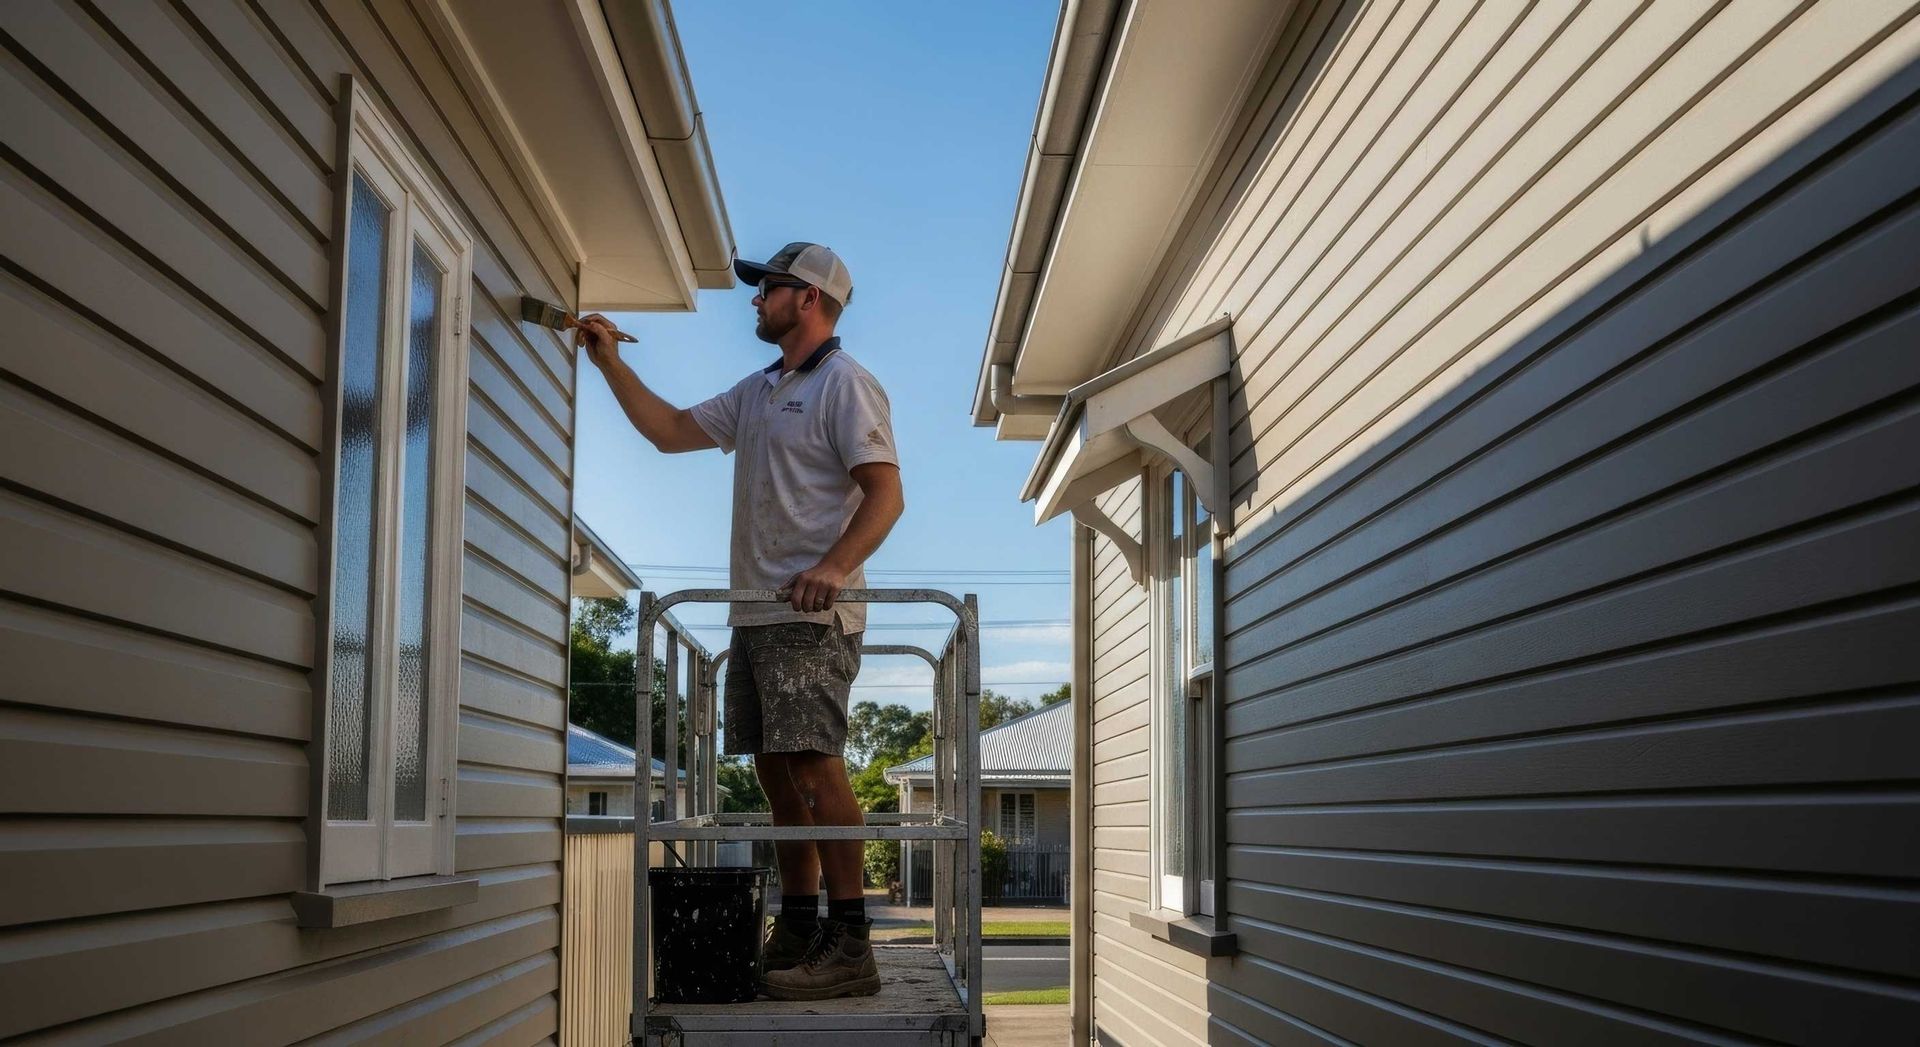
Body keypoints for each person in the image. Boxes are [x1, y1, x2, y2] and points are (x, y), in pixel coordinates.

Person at [575, 242, 903, 1001]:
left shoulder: (846, 385)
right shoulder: (761, 390)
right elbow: (669, 430)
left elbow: (885, 495)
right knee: (773, 769)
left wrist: (832, 567)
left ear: (810, 298)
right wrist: (609, 365)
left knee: (814, 762)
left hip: (812, 615)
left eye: (769, 289)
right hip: (755, 613)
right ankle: (796, 924)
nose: (755, 300)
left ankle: (851, 941)